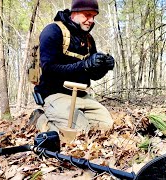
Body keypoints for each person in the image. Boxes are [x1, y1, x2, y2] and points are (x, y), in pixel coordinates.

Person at [34, 0, 114, 133]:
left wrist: (104, 67)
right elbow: (48, 69)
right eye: (87, 15)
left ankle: (69, 120)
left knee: (107, 126)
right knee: (78, 131)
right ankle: (39, 118)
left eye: (93, 16)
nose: (91, 20)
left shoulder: (88, 39)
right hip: (55, 94)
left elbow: (93, 76)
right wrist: (84, 65)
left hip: (82, 95)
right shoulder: (53, 31)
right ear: (74, 13)